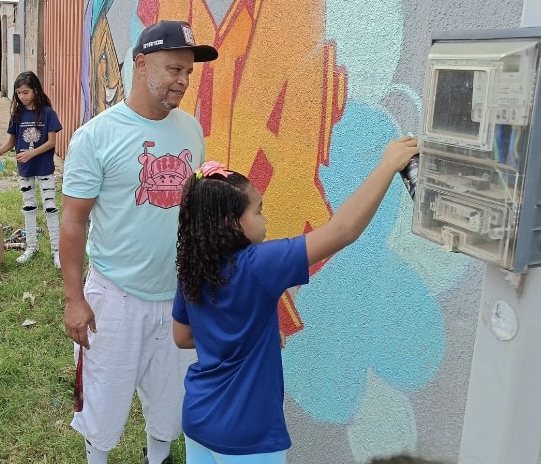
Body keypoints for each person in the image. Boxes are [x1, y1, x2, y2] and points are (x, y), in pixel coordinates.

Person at [171, 138, 418, 463]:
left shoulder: (193, 265)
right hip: (249, 436)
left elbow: (183, 336)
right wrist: (388, 165)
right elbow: (342, 231)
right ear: (233, 223)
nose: (265, 219)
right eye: (258, 212)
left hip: (200, 420)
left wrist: (250, 337)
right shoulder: (259, 265)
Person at [60, 20, 217, 464]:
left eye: (188, 72)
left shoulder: (191, 131)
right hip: (115, 297)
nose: (183, 81)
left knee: (170, 403)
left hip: (178, 297)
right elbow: (73, 223)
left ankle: (158, 457)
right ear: (141, 63)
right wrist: (74, 299)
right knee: (104, 402)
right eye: (173, 69)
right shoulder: (96, 137)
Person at [0, 71, 63, 267]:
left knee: (50, 208)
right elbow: (11, 142)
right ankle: (31, 247)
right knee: (28, 207)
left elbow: (52, 142)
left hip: (44, 167)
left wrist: (31, 154)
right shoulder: (17, 114)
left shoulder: (48, 113)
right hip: (24, 169)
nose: (21, 97)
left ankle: (56, 250)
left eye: (25, 92)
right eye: (18, 93)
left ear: (35, 90)